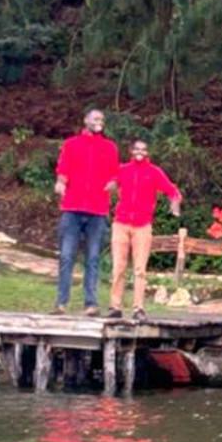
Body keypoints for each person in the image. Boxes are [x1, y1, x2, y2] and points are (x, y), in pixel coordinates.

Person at [54, 107, 119, 316]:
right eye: (95, 118)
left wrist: (113, 183)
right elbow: (63, 169)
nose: (98, 121)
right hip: (72, 208)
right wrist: (61, 183)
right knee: (66, 256)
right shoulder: (72, 144)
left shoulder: (110, 147)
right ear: (86, 120)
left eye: (101, 118)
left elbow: (115, 174)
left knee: (92, 258)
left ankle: (90, 304)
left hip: (97, 210)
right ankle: (61, 303)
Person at [109, 137, 183, 320]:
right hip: (121, 223)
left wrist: (174, 203)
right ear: (131, 151)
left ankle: (138, 308)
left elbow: (172, 190)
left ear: (147, 152)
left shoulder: (154, 172)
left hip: (142, 225)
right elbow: (107, 183)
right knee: (118, 267)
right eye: (137, 149)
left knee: (140, 269)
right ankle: (115, 307)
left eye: (143, 150)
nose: (140, 152)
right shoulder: (122, 170)